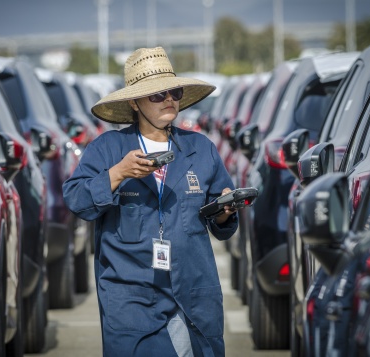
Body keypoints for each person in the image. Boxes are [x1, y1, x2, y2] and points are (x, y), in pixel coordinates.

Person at [62, 46, 238, 357]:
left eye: (174, 91)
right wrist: (118, 174)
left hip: (195, 296)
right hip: (130, 301)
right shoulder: (108, 148)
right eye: (157, 95)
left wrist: (224, 212)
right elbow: (77, 199)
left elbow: (221, 223)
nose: (169, 99)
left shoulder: (201, 148)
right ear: (134, 102)